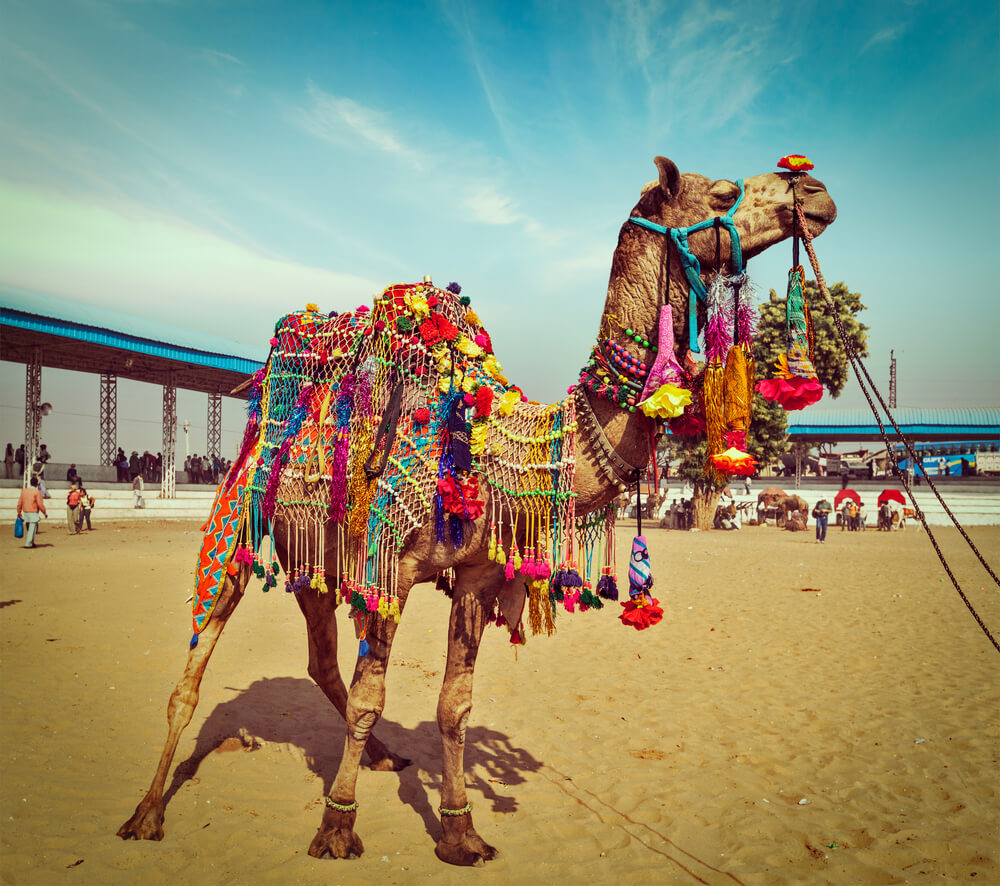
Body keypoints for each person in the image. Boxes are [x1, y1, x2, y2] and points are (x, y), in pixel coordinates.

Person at [17, 477, 47, 548]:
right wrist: (44, 512)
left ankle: (31, 542)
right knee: (32, 528)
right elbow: (40, 504)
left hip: (26, 511)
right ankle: (28, 543)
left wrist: (19, 511)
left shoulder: (24, 491)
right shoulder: (37, 492)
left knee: (31, 528)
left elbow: (20, 502)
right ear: (36, 484)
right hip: (33, 511)